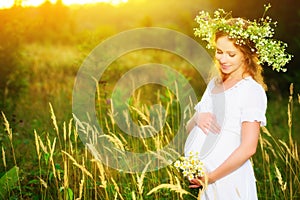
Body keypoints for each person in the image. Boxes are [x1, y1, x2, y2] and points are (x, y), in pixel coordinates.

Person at [183, 5, 292, 200]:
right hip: (205, 182)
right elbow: (189, 127)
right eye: (219, 51)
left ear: (246, 55)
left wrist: (211, 176)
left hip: (227, 181)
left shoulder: (251, 90)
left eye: (231, 54)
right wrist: (197, 117)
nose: (223, 59)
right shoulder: (215, 84)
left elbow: (249, 147)